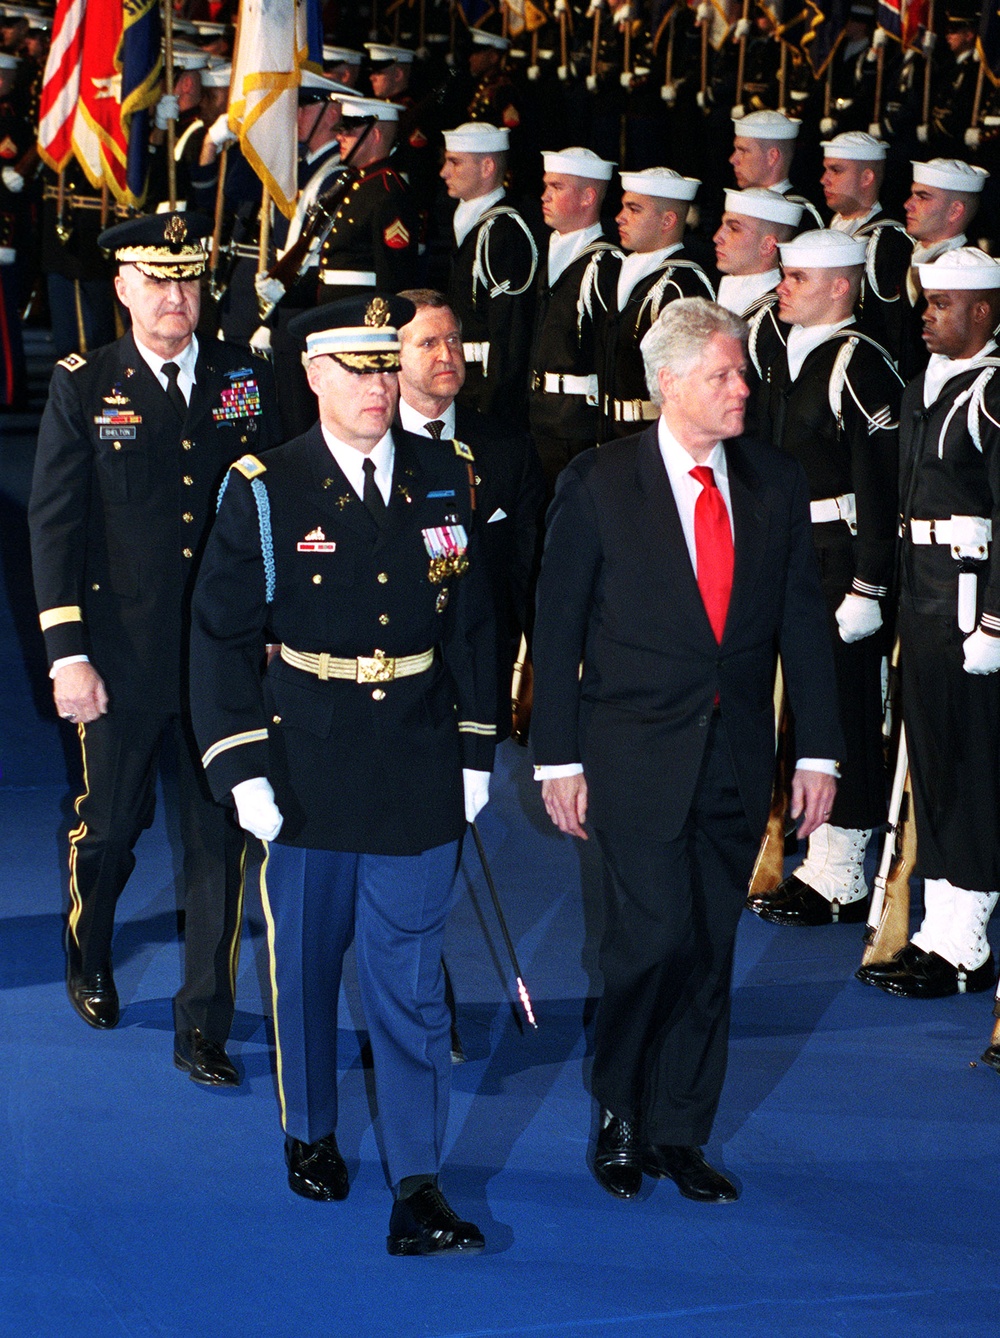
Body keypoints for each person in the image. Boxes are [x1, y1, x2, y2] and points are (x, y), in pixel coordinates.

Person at [188, 293, 497, 1255]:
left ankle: (418, 1182)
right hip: (305, 764)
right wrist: (241, 768)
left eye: (386, 364)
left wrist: (478, 750)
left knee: (408, 984)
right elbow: (221, 636)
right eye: (356, 367)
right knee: (308, 967)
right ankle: (310, 1128)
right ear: (313, 374)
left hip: (414, 760)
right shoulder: (267, 486)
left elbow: (477, 624)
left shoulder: (446, 477)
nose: (377, 384)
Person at [532, 297, 841, 1204]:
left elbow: (801, 626)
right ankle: (619, 1113)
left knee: (709, 950)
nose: (742, 387)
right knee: (651, 939)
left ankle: (680, 1133)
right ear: (668, 382)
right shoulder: (597, 481)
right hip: (628, 756)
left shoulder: (775, 483)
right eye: (722, 375)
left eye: (741, 371)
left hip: (736, 760)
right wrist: (556, 759)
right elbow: (555, 632)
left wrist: (818, 751)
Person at [28, 212, 282, 1085]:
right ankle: (89, 949)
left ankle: (201, 1022)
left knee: (221, 841)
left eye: (188, 279)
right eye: (156, 279)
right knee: (110, 829)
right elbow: (54, 526)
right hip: (123, 659)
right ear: (124, 288)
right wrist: (68, 654)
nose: (175, 296)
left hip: (224, 659)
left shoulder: (244, 378)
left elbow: (275, 512)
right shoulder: (86, 383)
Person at [747, 230, 901, 927]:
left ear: (841, 286)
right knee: (807, 709)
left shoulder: (859, 363)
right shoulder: (781, 350)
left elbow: (882, 485)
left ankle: (844, 868)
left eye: (798, 278)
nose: (783, 287)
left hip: (838, 558)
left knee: (846, 711)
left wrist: (869, 585)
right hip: (787, 550)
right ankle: (812, 851)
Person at [858, 247, 1000, 998]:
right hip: (925, 599)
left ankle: (968, 941)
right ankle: (941, 928)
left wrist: (997, 623)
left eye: (942, 304)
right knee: (936, 768)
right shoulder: (927, 384)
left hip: (974, 611)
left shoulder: (993, 392)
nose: (926, 314)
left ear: (982, 311)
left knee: (971, 773)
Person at [397, 288, 545, 737]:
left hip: (481, 682)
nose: (447, 354)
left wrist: (543, 673)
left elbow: (528, 573)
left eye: (455, 340)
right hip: (392, 686)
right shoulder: (367, 447)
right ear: (392, 355)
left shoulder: (508, 450)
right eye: (428, 343)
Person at [599, 167, 713, 442]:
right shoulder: (629, 272)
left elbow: (687, 379)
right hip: (614, 431)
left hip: (652, 434)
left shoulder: (681, 284)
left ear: (667, 220)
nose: (620, 217)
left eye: (634, 209)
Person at [528, 146, 620, 488]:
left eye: (557, 187)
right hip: (540, 414)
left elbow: (606, 352)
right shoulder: (549, 251)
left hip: (577, 422)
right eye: (546, 185)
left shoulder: (605, 265)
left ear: (588, 197)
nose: (545, 196)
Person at [440, 121, 538, 425]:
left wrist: (494, 407)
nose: (444, 172)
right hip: (464, 384)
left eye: (455, 162)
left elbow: (509, 333)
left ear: (487, 167)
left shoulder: (503, 231)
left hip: (485, 392)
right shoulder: (472, 224)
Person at [819, 131, 913, 356]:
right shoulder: (827, 227)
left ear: (866, 178)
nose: (824, 179)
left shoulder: (889, 243)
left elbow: (895, 331)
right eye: (826, 169)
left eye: (836, 170)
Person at [899, 156, 988, 379]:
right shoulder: (901, 256)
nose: (907, 204)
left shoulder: (974, 275)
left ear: (955, 211)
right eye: (912, 194)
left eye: (922, 197)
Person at [713, 187, 802, 319]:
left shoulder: (776, 313)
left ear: (767, 246)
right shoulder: (722, 291)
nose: (717, 237)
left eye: (734, 228)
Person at [729, 110, 824, 229]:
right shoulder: (742, 202)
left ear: (772, 157)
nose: (733, 159)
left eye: (743, 151)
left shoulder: (795, 214)